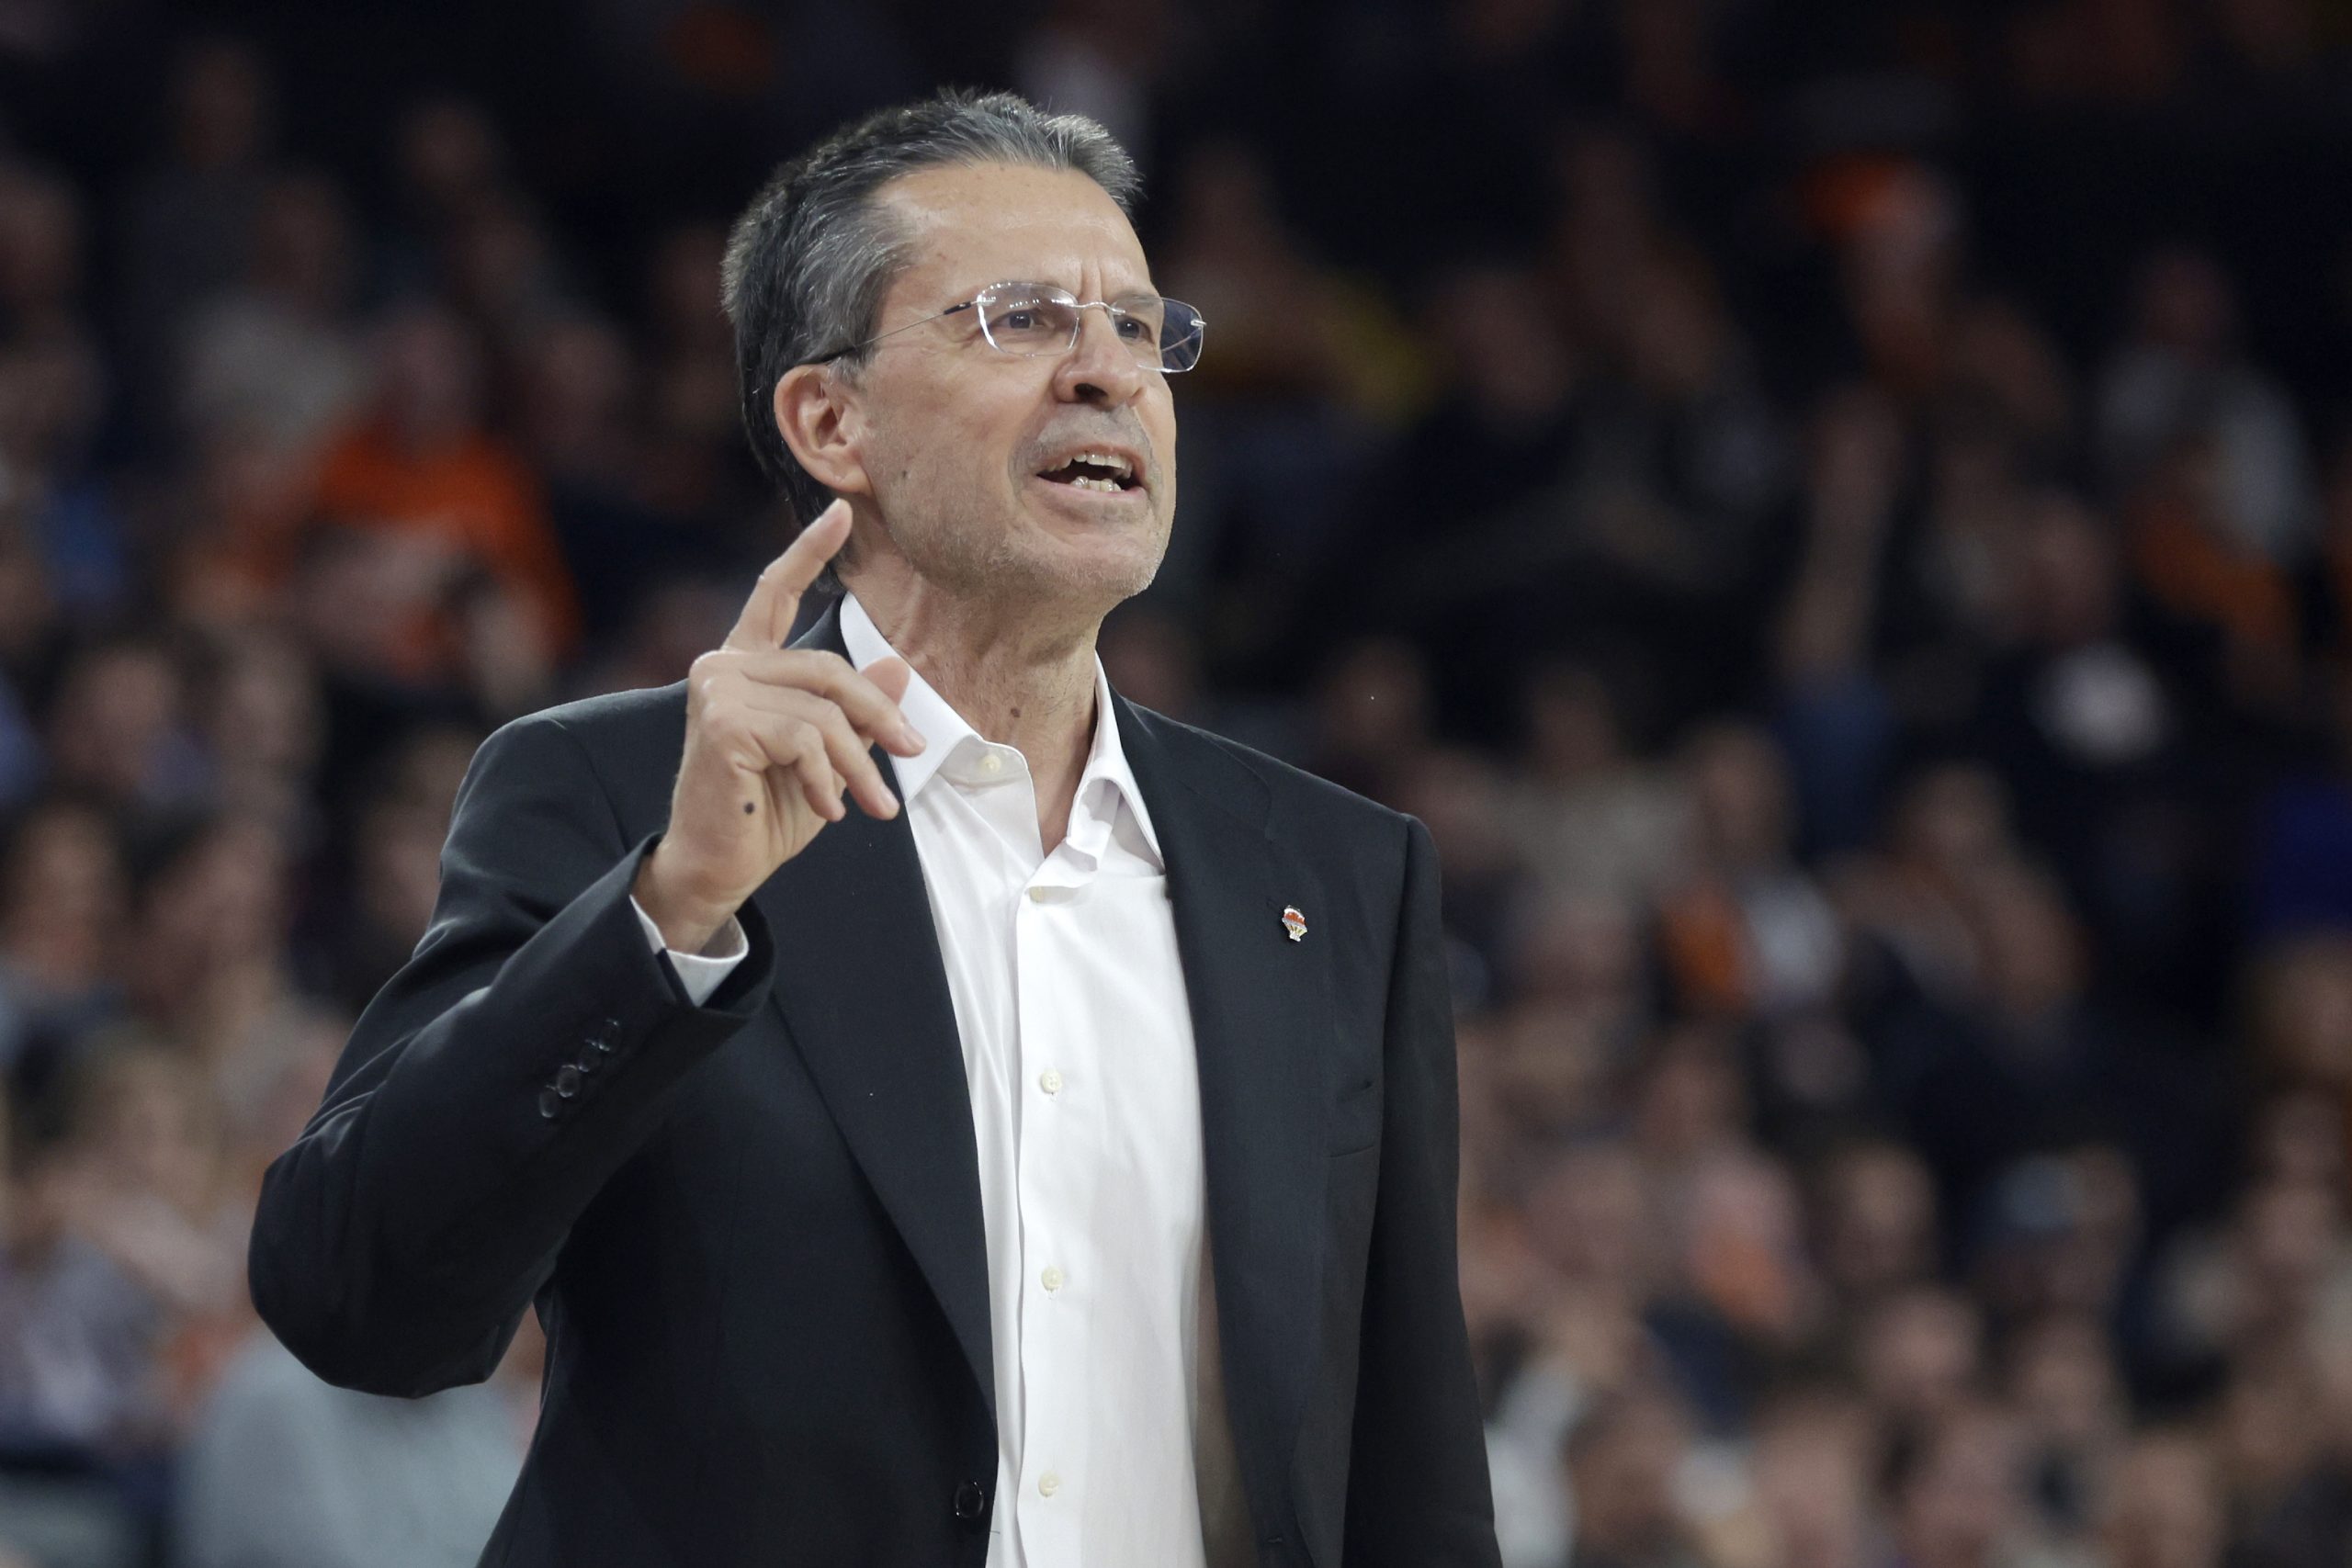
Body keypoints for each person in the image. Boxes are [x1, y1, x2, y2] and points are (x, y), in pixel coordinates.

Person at [247, 89, 1498, 1568]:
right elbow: (361, 1305)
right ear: (830, 422)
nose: (1108, 371)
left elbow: (1410, 1468)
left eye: (1138, 327)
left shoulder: (1337, 874)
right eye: (1024, 320)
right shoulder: (620, 797)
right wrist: (669, 916)